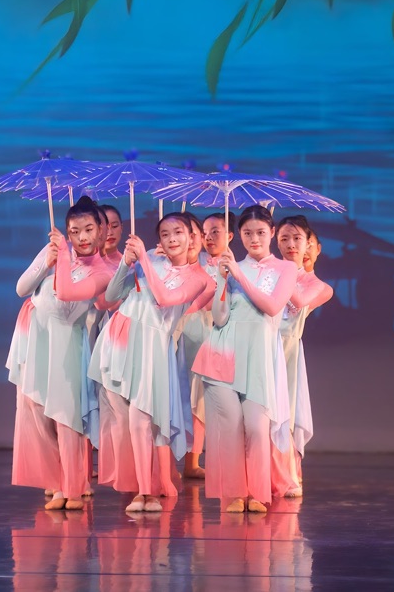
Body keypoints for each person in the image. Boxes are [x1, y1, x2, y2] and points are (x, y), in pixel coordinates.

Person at [89, 213, 210, 513]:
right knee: (125, 418)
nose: (172, 239)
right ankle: (139, 486)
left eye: (178, 232)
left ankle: (147, 492)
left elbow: (166, 298)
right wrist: (125, 263)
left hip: (152, 344)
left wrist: (143, 260)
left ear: (192, 238)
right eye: (165, 233)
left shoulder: (200, 278)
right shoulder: (151, 262)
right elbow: (112, 296)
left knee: (142, 420)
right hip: (119, 335)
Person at [8, 196, 114, 511]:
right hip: (38, 339)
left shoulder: (104, 270)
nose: (81, 237)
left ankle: (74, 489)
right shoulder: (55, 252)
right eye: (75, 231)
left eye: (88, 230)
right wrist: (47, 262)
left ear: (100, 232)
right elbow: (21, 288)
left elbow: (68, 295)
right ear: (67, 232)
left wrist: (64, 262)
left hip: (69, 343)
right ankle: (55, 485)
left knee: (67, 419)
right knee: (37, 411)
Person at [192, 205, 297, 513]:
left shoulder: (285, 268)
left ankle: (257, 492)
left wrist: (239, 276)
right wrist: (223, 281)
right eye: (248, 233)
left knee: (255, 427)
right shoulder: (231, 266)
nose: (254, 239)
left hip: (258, 356)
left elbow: (273, 306)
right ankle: (235, 494)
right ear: (238, 235)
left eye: (261, 233)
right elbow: (220, 318)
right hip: (222, 354)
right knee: (230, 426)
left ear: (272, 233)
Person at [271, 215, 334, 497]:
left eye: (297, 239)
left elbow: (297, 301)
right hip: (261, 346)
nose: (290, 244)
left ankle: (288, 474)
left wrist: (287, 271)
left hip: (287, 350)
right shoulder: (268, 271)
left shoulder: (319, 286)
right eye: (284, 238)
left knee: (286, 413)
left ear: (310, 244)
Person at [172, 213, 218, 478]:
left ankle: (192, 461)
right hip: (173, 337)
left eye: (194, 234)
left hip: (201, 336)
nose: (190, 240)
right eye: (183, 234)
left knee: (197, 399)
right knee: (171, 396)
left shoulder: (210, 267)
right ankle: (165, 463)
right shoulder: (168, 264)